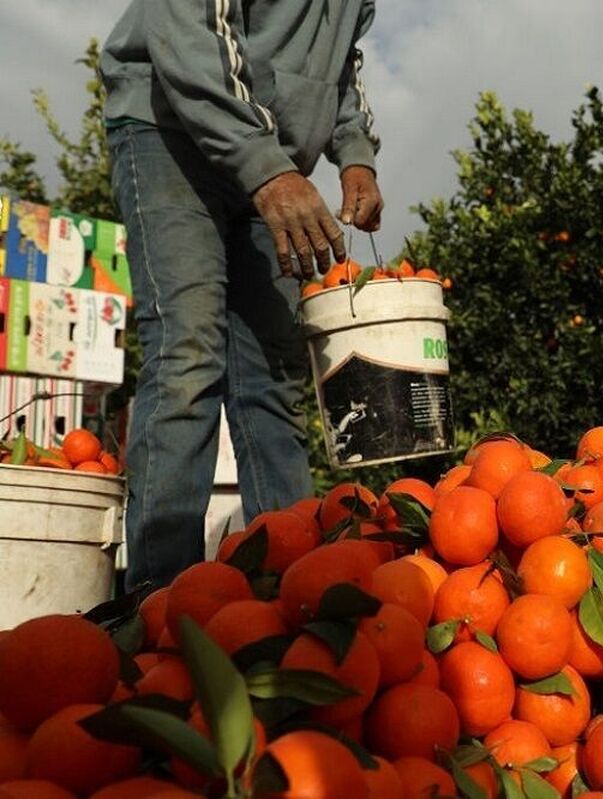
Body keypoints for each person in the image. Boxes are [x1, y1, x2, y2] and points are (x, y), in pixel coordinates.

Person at [101, 0, 383, 588]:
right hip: (170, 132)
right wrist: (268, 169)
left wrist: (355, 152)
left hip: (273, 154)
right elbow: (190, 34)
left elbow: (341, 69)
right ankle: (157, 601)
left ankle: (290, 587)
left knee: (273, 381)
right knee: (188, 352)